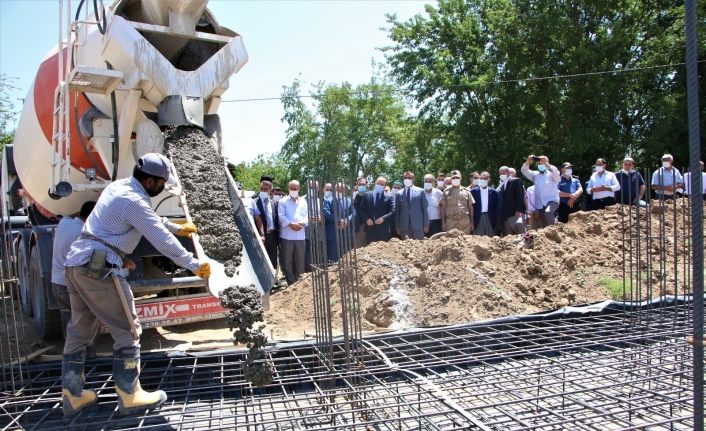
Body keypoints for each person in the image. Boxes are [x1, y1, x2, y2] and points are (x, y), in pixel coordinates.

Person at [61, 153, 210, 417]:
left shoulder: (119, 187)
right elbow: (159, 238)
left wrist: (177, 227)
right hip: (99, 269)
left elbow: (148, 220)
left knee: (79, 330)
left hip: (78, 265)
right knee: (128, 330)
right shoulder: (134, 201)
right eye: (163, 182)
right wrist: (194, 264)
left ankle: (73, 396)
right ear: (151, 181)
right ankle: (131, 396)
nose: (164, 186)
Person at [51, 201, 97, 336]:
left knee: (78, 321)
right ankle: (86, 353)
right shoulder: (84, 235)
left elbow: (71, 214)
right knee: (87, 324)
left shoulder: (64, 223)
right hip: (70, 287)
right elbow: (95, 267)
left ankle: (76, 351)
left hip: (57, 284)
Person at [278, 180, 309, 285]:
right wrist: (291, 224)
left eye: (296, 188)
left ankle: (300, 282)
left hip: (300, 236)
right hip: (287, 236)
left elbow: (307, 217)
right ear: (288, 188)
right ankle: (290, 283)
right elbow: (281, 216)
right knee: (288, 261)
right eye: (292, 188)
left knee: (300, 261)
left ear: (299, 188)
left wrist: (302, 224)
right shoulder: (283, 201)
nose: (294, 190)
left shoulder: (304, 202)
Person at [521, 155, 560, 227]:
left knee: (548, 212)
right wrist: (528, 162)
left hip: (552, 201)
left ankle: (554, 230)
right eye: (539, 163)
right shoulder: (535, 174)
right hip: (540, 203)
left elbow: (556, 173)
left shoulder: (551, 174)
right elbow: (524, 171)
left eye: (542, 163)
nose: (540, 165)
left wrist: (546, 163)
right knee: (543, 223)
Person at [251, 180, 279, 270]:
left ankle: (274, 278)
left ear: (270, 191)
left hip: (272, 234)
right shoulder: (254, 202)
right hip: (261, 235)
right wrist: (260, 233)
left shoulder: (273, 203)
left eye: (265, 189)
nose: (263, 191)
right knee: (262, 256)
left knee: (273, 256)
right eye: (261, 189)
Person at [323, 182, 354, 262]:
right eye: (338, 189)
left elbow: (354, 213)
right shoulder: (328, 200)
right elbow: (326, 213)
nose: (340, 191)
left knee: (346, 256)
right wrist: (339, 221)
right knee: (333, 258)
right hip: (333, 233)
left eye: (342, 190)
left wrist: (347, 220)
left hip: (345, 234)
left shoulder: (349, 201)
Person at [358, 177, 395, 243]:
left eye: (382, 184)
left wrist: (383, 218)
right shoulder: (366, 195)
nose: (380, 185)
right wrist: (367, 219)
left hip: (383, 230)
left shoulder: (388, 197)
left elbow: (393, 211)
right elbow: (361, 210)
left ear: (385, 186)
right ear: (375, 183)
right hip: (370, 229)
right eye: (378, 183)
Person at [395, 171, 429, 240]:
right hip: (404, 226)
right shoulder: (399, 193)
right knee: (406, 248)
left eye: (409, 178)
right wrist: (397, 226)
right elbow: (397, 212)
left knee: (419, 247)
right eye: (405, 178)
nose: (407, 179)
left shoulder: (421, 191)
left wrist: (426, 224)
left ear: (413, 179)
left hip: (418, 225)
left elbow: (425, 209)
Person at [498, 168, 526, 235]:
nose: (502, 175)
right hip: (506, 215)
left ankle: (527, 242)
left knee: (521, 230)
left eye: (503, 173)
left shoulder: (516, 181)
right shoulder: (502, 185)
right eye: (500, 174)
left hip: (515, 213)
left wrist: (519, 209)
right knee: (509, 236)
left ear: (507, 172)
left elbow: (520, 196)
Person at [470, 171, 499, 236]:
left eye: (485, 178)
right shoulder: (473, 192)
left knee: (490, 237)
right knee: (479, 238)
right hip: (478, 217)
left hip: (490, 217)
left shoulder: (494, 192)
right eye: (481, 178)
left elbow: (497, 206)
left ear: (489, 179)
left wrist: (496, 218)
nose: (483, 180)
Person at [353, 176, 368, 248]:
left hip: (369, 227)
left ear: (366, 185)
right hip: (358, 227)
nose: (361, 186)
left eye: (363, 184)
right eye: (360, 184)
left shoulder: (370, 196)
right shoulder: (353, 197)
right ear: (356, 185)